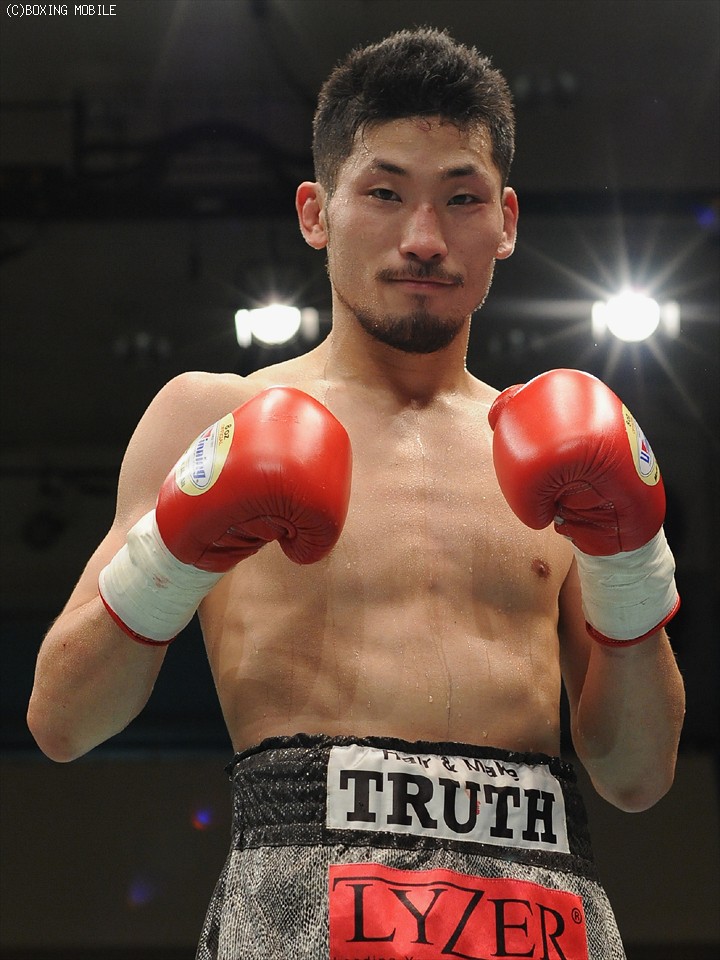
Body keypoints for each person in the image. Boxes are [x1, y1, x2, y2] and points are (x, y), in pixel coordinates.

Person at [28, 27, 685, 960]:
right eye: (384, 193)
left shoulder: (564, 451)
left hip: (543, 906)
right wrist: (173, 552)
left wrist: (629, 562)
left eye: (461, 198)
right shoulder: (214, 416)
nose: (423, 239)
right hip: (305, 897)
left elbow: (636, 775)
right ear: (316, 212)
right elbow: (61, 721)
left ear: (505, 221)